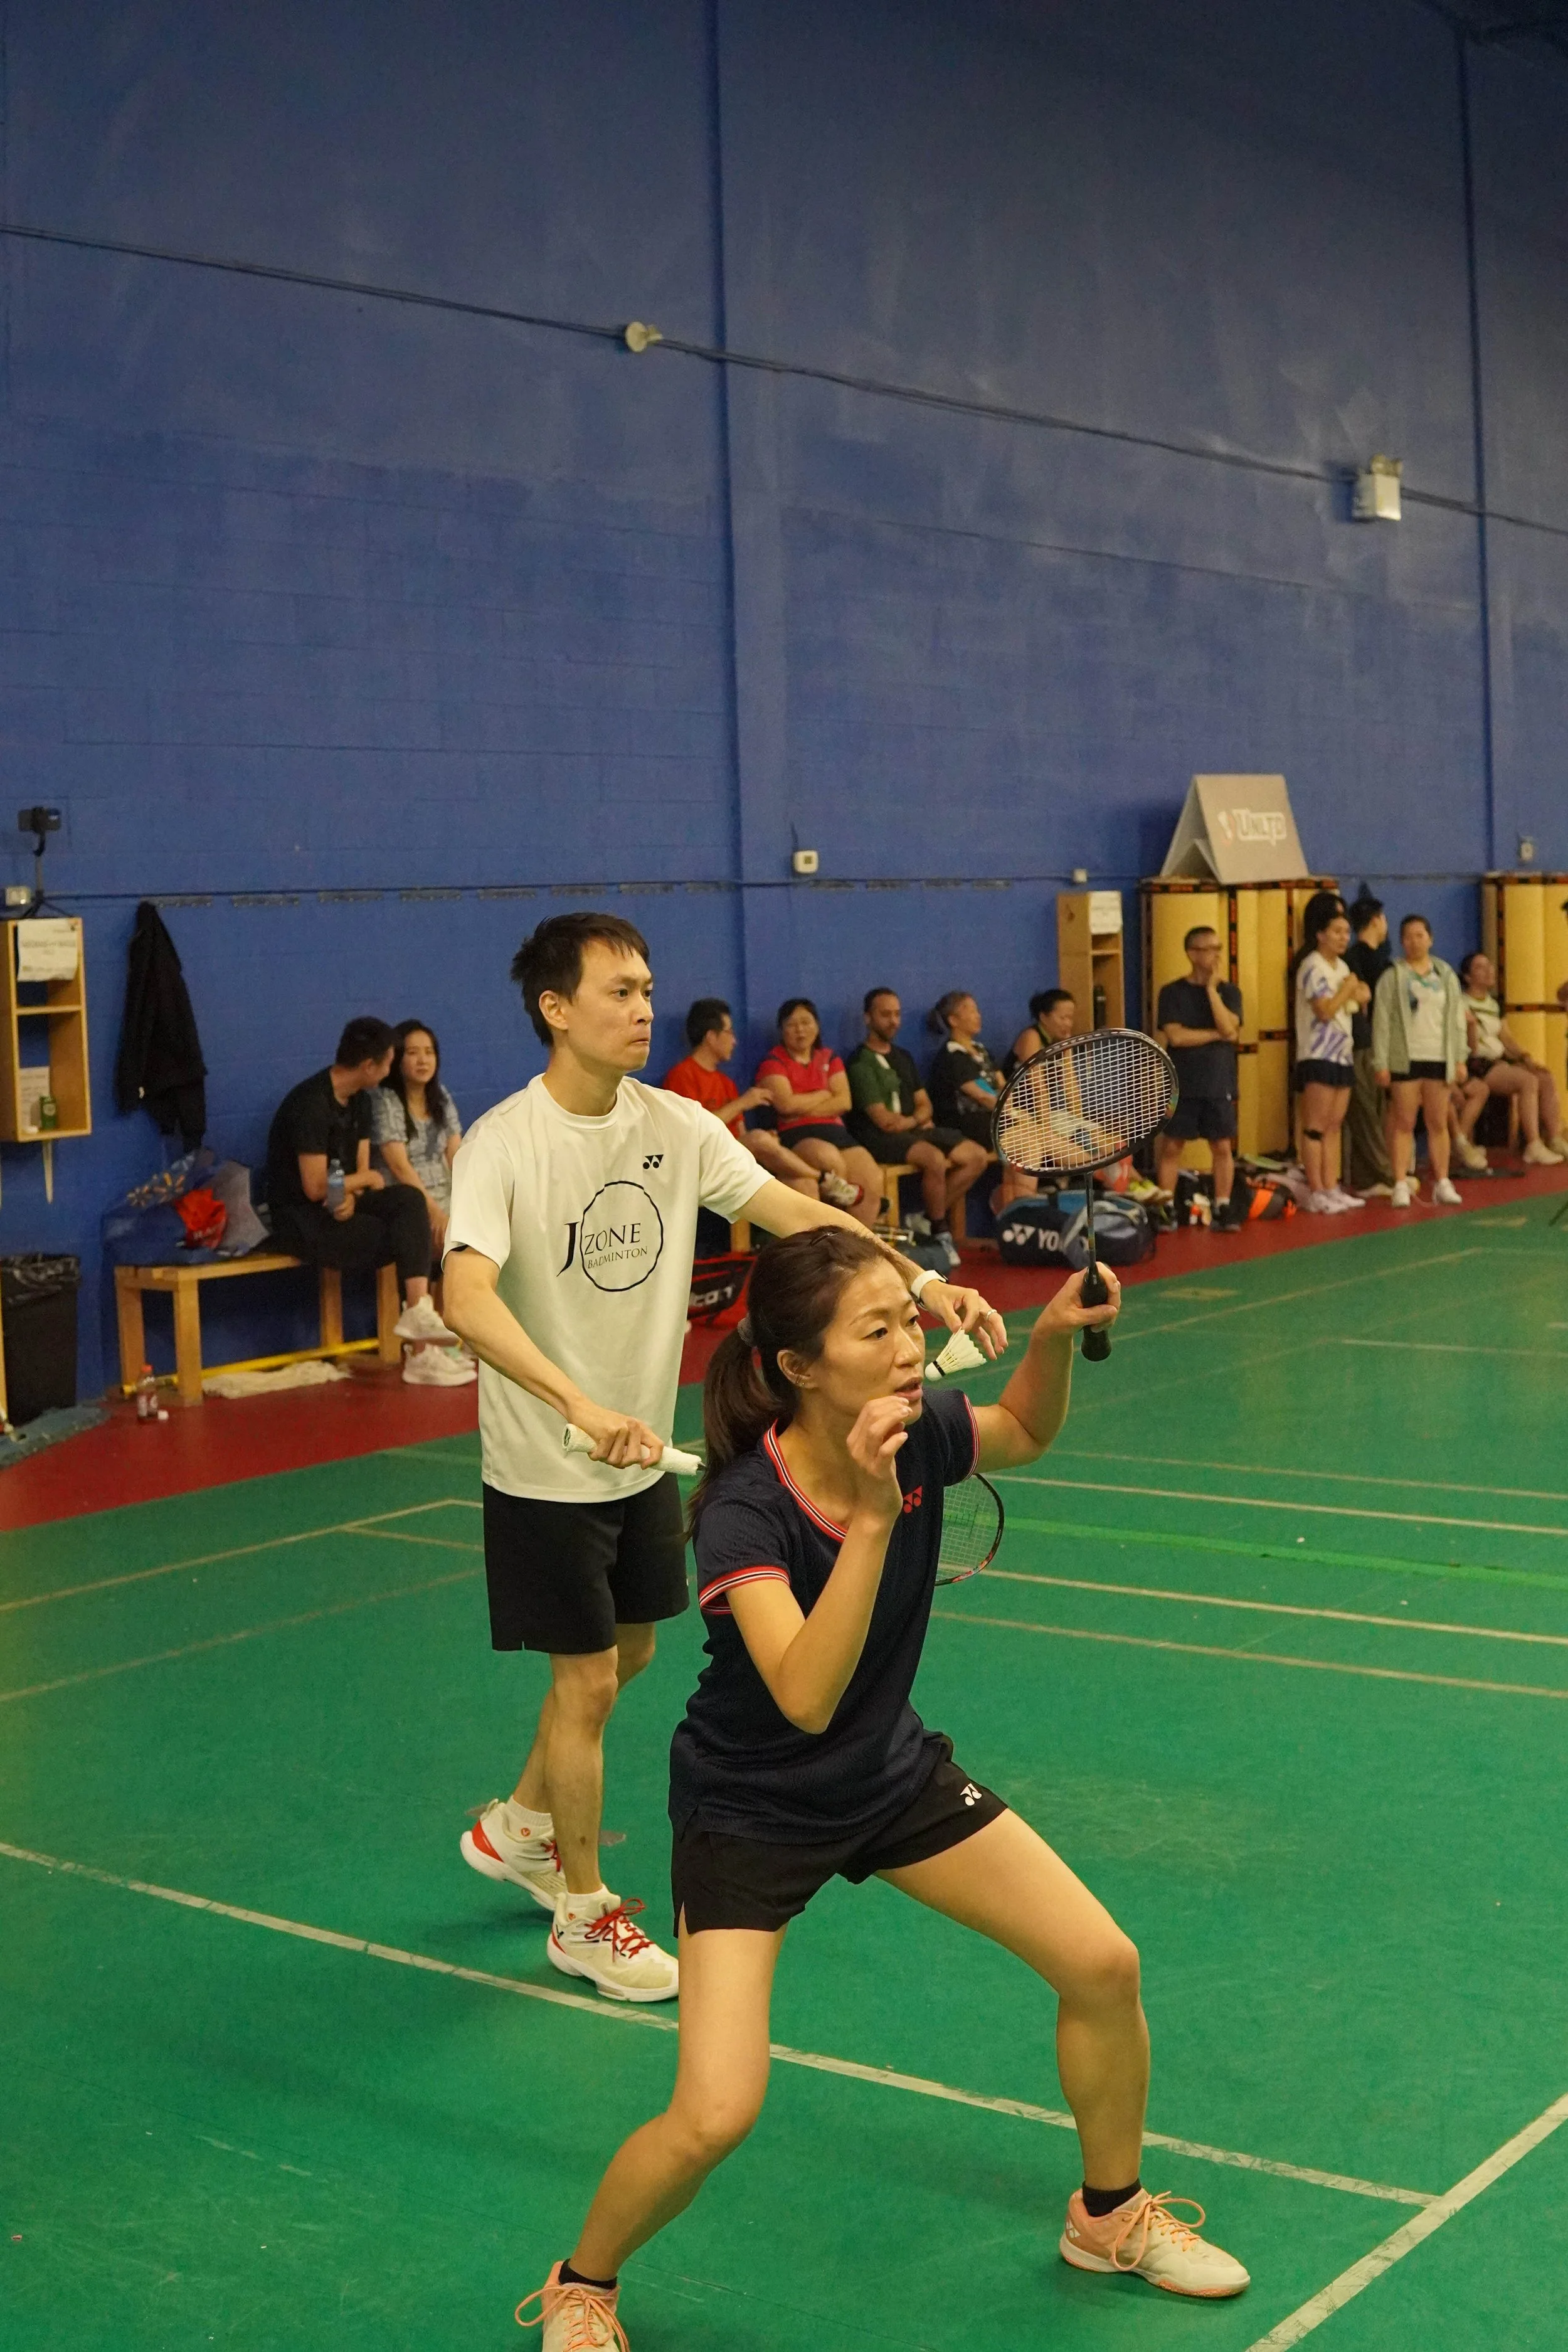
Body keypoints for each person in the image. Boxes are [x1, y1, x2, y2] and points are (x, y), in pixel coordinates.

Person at [518, 1228, 1249, 2344]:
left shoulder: (917, 1426)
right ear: (799, 1368)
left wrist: (1048, 1340)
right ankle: (584, 2281)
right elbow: (805, 1693)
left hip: (886, 1774)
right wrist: (869, 1510)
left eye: (910, 1322)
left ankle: (1109, 2218)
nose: (913, 1346)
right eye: (880, 1330)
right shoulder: (742, 1513)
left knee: (1102, 1964)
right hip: (751, 1812)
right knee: (716, 2111)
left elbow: (1024, 1431)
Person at [441, 914, 1004, 2004]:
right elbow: (462, 1296)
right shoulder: (505, 1143)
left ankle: (517, 1824)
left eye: (648, 986)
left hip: (640, 1451)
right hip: (550, 1463)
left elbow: (798, 1215)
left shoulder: (675, 1125)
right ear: (558, 1009)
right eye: (617, 990)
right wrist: (573, 1399)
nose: (644, 1007)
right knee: (590, 1677)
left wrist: (922, 1286)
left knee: (632, 1657)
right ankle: (583, 1912)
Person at [265, 1016, 473, 1388]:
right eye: (391, 1061)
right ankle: (422, 1351)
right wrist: (362, 1183)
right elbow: (315, 1188)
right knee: (410, 1231)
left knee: (408, 1203)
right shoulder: (310, 1105)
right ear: (369, 1066)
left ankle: (419, 1316)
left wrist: (353, 1192)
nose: (392, 1069)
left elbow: (357, 1170)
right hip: (301, 1220)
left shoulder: (360, 1102)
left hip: (341, 1206)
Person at [845, 988, 990, 1266]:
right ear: (868, 1018)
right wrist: (916, 1120)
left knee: (976, 1156)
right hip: (876, 1137)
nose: (893, 1021)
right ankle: (939, 1230)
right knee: (934, 1159)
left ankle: (924, 1217)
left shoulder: (904, 1057)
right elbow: (884, 1121)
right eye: (885, 1014)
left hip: (913, 1130)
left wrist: (914, 1120)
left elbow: (925, 1104)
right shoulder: (860, 1062)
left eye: (897, 1014)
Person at [663, 999, 853, 1206]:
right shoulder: (681, 1076)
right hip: (702, 1162)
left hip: (736, 1162)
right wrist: (743, 1104)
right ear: (711, 1036)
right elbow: (691, 1131)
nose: (734, 1041)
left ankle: (825, 1234)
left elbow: (742, 1136)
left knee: (801, 1183)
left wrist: (768, 1144)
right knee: (761, 1140)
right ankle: (824, 1178)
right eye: (730, 1032)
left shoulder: (726, 1083)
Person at [1371, 915, 1468, 1209]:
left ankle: (1442, 1182)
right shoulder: (1393, 976)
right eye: (1409, 937)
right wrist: (1381, 1062)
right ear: (1402, 942)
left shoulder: (1446, 974)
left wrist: (1460, 1057)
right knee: (1404, 1121)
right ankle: (1400, 1182)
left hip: (1439, 1056)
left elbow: (1457, 1019)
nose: (1415, 942)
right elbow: (1382, 1021)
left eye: (1420, 935)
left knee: (1438, 1121)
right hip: (1406, 1057)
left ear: (1430, 938)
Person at [754, 999, 881, 1224]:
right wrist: (823, 1095)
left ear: (817, 1026)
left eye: (806, 1022)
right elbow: (786, 1106)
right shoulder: (773, 1062)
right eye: (792, 1025)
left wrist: (803, 1104)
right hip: (796, 1134)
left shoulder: (829, 1058)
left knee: (872, 1178)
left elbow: (844, 1102)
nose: (800, 1030)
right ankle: (835, 1239)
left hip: (837, 1131)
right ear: (782, 1030)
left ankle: (862, 1249)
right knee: (829, 1159)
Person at [1154, 926, 1243, 1230]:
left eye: (1219, 948)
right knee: (1172, 1146)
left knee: (1222, 1147)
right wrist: (1217, 1035)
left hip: (1219, 1083)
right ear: (1192, 954)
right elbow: (1176, 1037)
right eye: (1209, 949)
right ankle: (1165, 1206)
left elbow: (1231, 1029)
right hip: (1183, 1084)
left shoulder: (1229, 992)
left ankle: (1223, 1205)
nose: (1216, 955)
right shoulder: (1172, 993)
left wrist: (1211, 992)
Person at [1452, 952, 1568, 1167]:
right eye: (1480, 967)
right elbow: (1468, 1045)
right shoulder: (1461, 1003)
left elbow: (1506, 1037)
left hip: (1498, 1060)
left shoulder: (1494, 1003)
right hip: (1477, 1063)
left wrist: (1525, 1057)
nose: (1489, 970)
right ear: (1467, 977)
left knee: (1544, 1077)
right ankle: (1533, 1145)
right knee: (1527, 1082)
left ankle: (1554, 1138)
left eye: (1490, 965)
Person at [1291, 892, 1368, 1216]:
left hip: (1342, 1055)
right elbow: (1325, 1010)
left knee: (1335, 1126)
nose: (1343, 938)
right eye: (1336, 932)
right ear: (1320, 934)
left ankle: (1332, 1185)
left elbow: (1361, 997)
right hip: (1317, 1055)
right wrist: (1350, 989)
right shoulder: (1313, 966)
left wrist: (1356, 990)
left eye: (1346, 933)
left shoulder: (1344, 966)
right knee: (1316, 1126)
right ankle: (1316, 1189)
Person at [371, 1019, 464, 1271]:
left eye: (429, 1052)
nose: (423, 1060)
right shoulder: (386, 1101)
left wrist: (473, 1200)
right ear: (397, 1059)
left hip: (447, 1196)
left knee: (505, 1231)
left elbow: (458, 1154)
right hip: (411, 1204)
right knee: (463, 1245)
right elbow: (400, 1168)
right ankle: (442, 1310)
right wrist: (435, 1213)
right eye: (413, 1053)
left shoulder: (440, 1096)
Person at [1343, 895, 1396, 1194]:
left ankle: (1370, 1177)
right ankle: (1384, 1174)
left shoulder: (1360, 959)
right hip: (1363, 1041)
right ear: (1378, 920)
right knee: (1365, 1111)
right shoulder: (1364, 960)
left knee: (1375, 1110)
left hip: (1374, 1042)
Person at [925, 991, 1005, 1149]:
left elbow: (1002, 1085)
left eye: (977, 1011)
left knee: (1036, 1133)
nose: (978, 1016)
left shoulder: (982, 1050)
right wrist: (1012, 1114)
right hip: (967, 1123)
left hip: (994, 1116)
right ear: (953, 1020)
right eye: (971, 1011)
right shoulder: (952, 1055)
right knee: (1024, 1140)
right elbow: (983, 1095)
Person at [1007, 987, 1076, 1078]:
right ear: (1043, 1018)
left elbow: (1070, 1081)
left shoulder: (1062, 1039)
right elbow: (1037, 1086)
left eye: (1070, 1018)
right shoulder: (1031, 1036)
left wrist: (1067, 1048)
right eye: (1063, 1018)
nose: (1068, 1024)